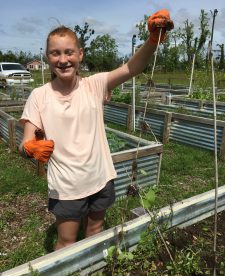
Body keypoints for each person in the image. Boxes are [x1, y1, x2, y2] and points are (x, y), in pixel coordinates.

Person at [19, 9, 173, 250]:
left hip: (100, 178)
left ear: (80, 54)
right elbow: (27, 140)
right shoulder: (39, 96)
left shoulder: (94, 85)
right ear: (47, 57)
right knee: (67, 241)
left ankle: (91, 275)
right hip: (66, 185)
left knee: (95, 231)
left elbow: (131, 68)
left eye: (69, 52)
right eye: (55, 53)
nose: (63, 59)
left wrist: (152, 40)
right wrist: (30, 148)